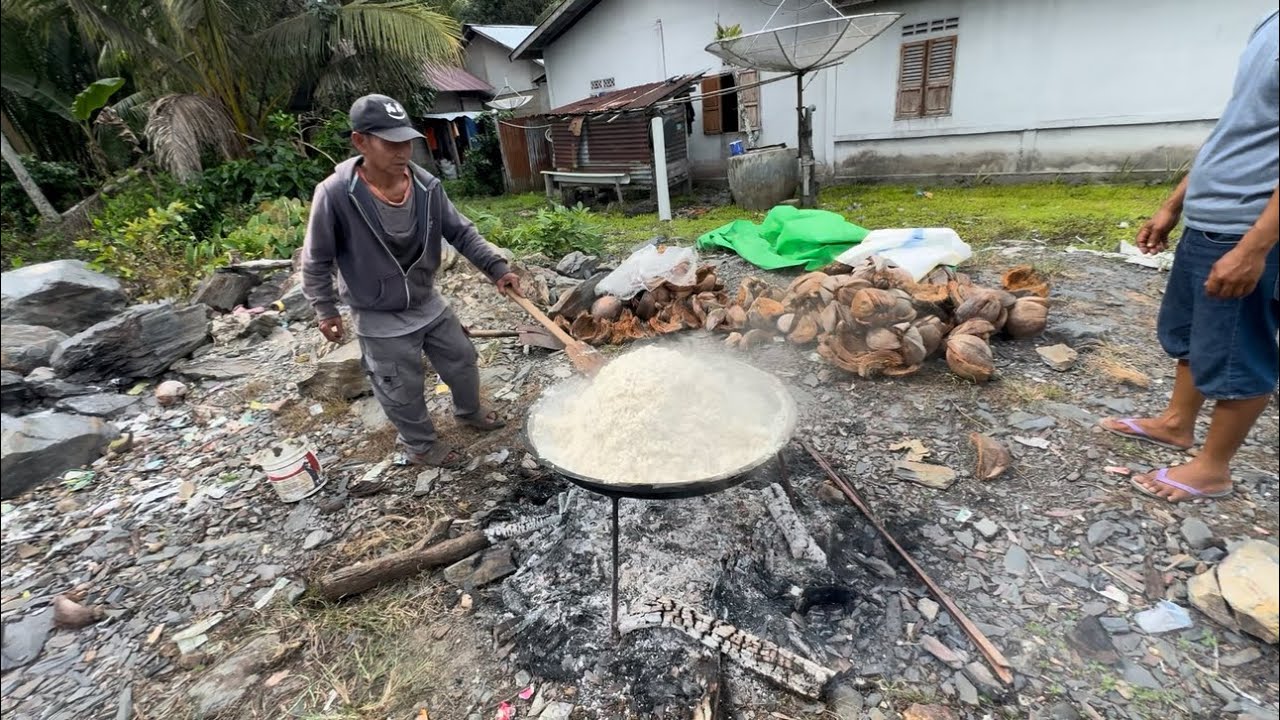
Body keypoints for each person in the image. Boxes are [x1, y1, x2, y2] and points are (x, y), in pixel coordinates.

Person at [1100, 9, 1279, 503]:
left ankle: (1213, 468)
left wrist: (1255, 246)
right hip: (1210, 217)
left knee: (1237, 350)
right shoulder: (1269, 23)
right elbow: (1237, 128)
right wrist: (1174, 203)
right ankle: (1177, 424)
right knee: (1192, 333)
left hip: (1250, 225)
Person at [302, 94, 521, 468]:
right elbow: (316, 258)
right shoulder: (336, 194)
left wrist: (497, 268)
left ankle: (468, 411)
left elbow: (460, 232)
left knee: (461, 357)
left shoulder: (426, 186)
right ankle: (420, 445)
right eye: (390, 143)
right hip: (377, 312)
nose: (402, 151)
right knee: (399, 385)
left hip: (425, 299)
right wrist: (325, 308)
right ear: (360, 141)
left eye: (406, 141)